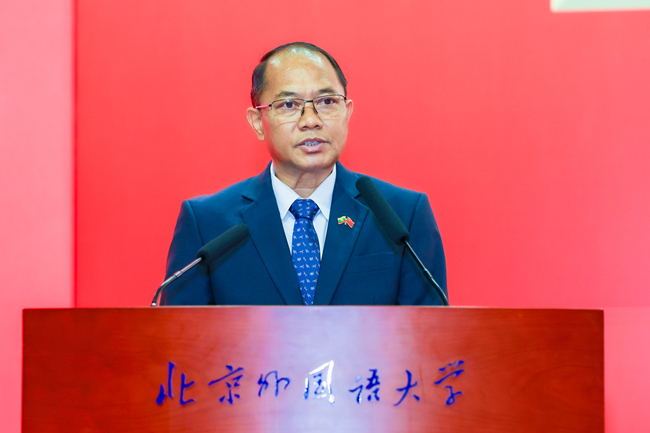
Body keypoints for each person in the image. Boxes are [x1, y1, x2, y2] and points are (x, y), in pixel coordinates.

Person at [161, 42, 447, 306]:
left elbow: (432, 337)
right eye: (289, 105)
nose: (311, 120)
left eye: (327, 102)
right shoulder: (208, 224)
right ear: (258, 122)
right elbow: (178, 338)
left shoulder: (401, 217)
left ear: (347, 113)